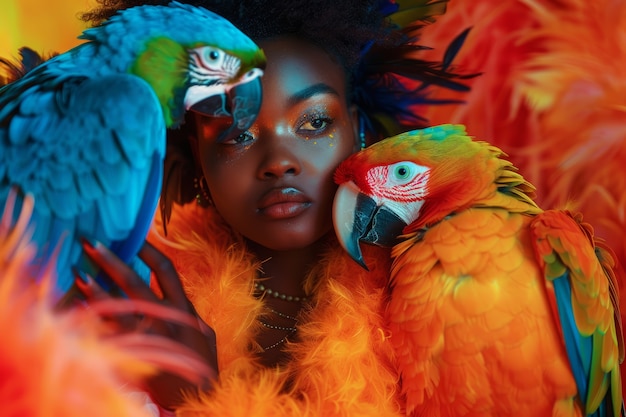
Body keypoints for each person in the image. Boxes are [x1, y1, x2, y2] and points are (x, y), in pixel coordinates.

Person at [74, 0, 470, 415]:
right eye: (236, 135)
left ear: (358, 130)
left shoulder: (440, 294)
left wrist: (197, 400)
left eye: (315, 122)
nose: (279, 161)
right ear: (198, 155)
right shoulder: (126, 303)